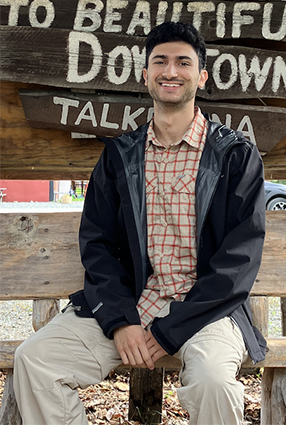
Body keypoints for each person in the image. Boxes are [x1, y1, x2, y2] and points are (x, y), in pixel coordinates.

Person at [14, 22, 266, 425]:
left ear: (200, 76)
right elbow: (97, 245)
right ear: (145, 74)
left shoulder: (235, 156)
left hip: (205, 313)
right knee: (36, 360)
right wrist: (120, 320)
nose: (171, 71)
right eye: (160, 61)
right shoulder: (119, 156)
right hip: (130, 307)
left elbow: (239, 261)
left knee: (213, 383)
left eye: (183, 62)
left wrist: (168, 331)